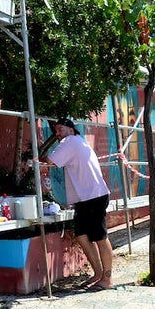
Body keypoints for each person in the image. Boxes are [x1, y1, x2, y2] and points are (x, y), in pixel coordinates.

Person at [42, 117, 113, 290]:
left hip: (93, 196)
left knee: (100, 237)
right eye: (56, 131)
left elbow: (50, 161)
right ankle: (98, 273)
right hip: (84, 198)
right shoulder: (78, 142)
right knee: (82, 235)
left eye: (60, 129)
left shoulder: (71, 141)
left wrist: (37, 158)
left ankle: (108, 279)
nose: (57, 134)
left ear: (71, 130)